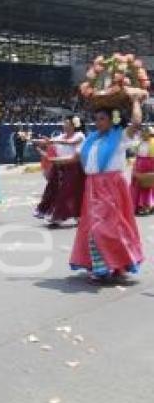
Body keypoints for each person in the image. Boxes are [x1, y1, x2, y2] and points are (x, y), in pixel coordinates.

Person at [70, 93, 146, 282]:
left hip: (112, 186)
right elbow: (79, 160)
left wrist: (136, 100)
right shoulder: (92, 139)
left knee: (107, 227)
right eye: (96, 119)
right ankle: (108, 264)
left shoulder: (119, 136)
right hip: (93, 186)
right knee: (94, 227)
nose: (98, 123)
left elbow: (136, 124)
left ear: (112, 120)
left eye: (102, 119)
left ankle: (110, 264)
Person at [33, 116, 85, 226]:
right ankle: (48, 211)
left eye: (67, 123)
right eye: (64, 123)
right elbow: (48, 142)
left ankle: (60, 216)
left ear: (74, 125)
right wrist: (35, 141)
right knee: (52, 189)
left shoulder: (79, 136)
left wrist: (52, 141)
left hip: (74, 166)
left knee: (70, 192)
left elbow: (70, 142)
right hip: (59, 166)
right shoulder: (61, 136)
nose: (64, 125)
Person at [130, 125, 154, 216]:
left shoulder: (152, 143)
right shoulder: (140, 143)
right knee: (137, 186)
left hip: (148, 167)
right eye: (143, 132)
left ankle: (146, 206)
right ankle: (138, 206)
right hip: (139, 165)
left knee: (147, 187)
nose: (144, 134)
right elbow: (136, 155)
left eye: (147, 132)